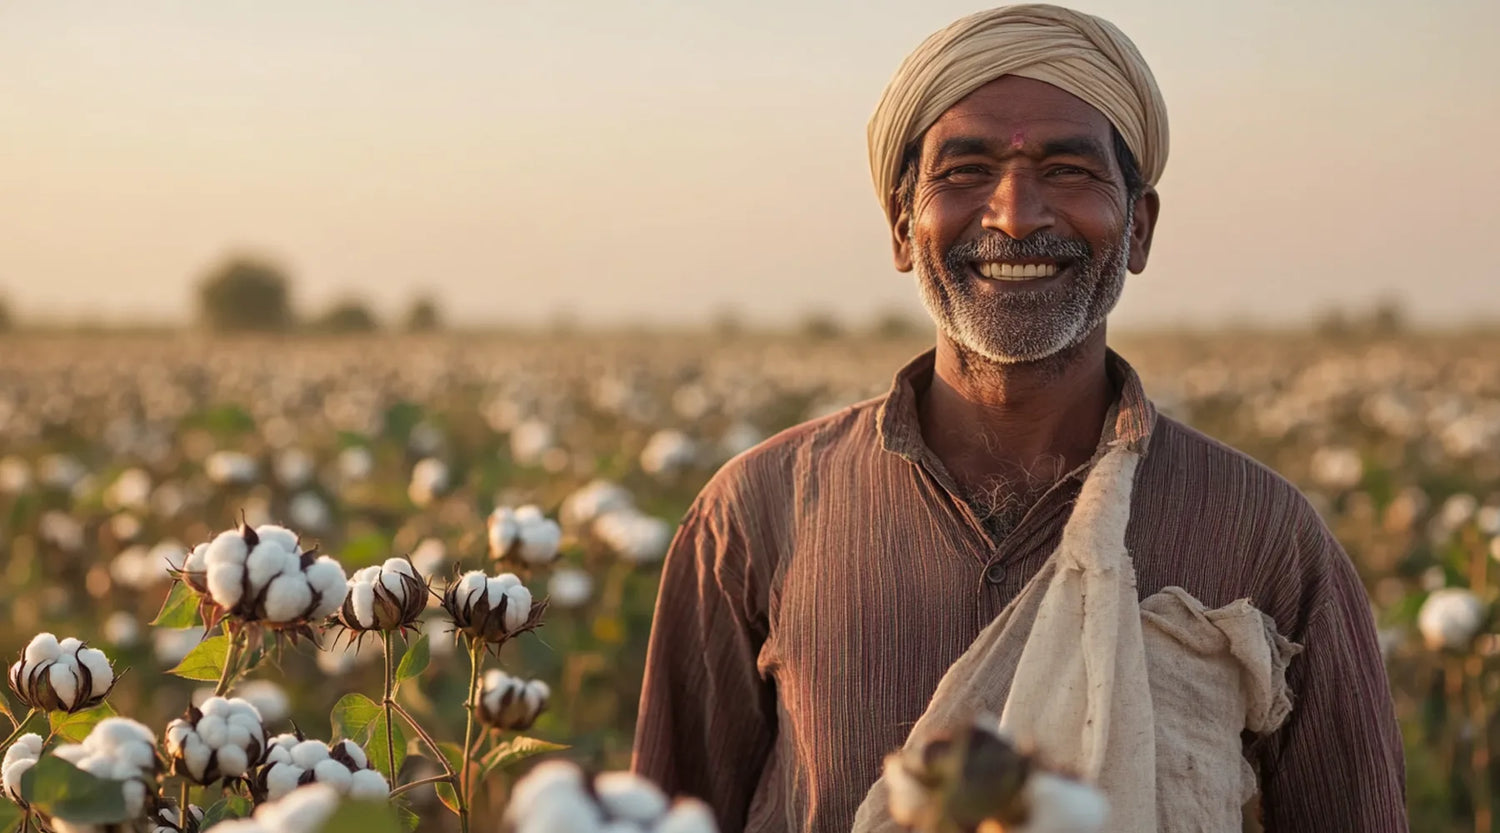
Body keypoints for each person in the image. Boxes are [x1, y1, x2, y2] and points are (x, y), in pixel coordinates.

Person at [631, 5, 1407, 832]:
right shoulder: (757, 515)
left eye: (1068, 170)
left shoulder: (1264, 538)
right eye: (964, 172)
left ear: (1138, 226)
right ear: (902, 225)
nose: (1014, 214)